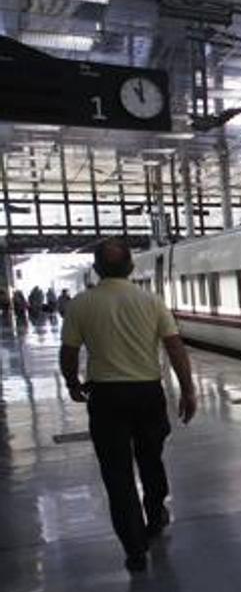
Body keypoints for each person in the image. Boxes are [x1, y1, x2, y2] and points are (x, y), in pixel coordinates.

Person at [59, 239, 197, 573]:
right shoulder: (151, 301)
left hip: (106, 398)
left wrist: (72, 382)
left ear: (96, 269)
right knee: (150, 458)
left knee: (117, 473)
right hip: (147, 393)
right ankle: (155, 515)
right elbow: (175, 348)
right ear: (132, 267)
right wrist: (188, 390)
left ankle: (134, 549)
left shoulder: (80, 305)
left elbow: (69, 352)